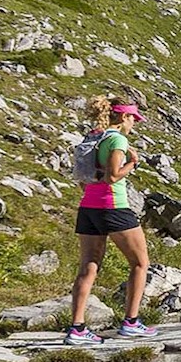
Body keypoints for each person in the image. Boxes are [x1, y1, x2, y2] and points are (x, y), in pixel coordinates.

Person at [65, 96, 158, 345]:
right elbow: (113, 176)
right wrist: (133, 163)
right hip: (113, 206)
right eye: (134, 119)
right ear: (124, 117)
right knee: (140, 263)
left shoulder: (94, 136)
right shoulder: (117, 138)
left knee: (89, 266)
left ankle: (77, 329)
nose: (135, 124)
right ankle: (131, 322)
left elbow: (85, 178)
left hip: (88, 207)